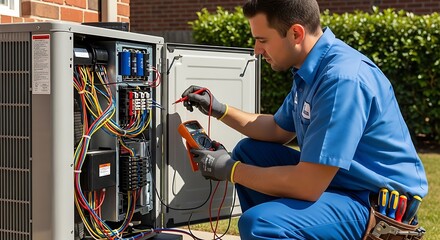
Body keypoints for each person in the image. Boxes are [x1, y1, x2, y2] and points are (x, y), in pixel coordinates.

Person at [181, 0, 428, 239]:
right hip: (340, 185)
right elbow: (278, 129)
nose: (256, 50)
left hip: (373, 205)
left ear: (296, 34)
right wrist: (219, 109)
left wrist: (230, 169)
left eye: (262, 40)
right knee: (249, 151)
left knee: (260, 224)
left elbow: (307, 185)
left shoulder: (341, 80)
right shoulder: (312, 68)